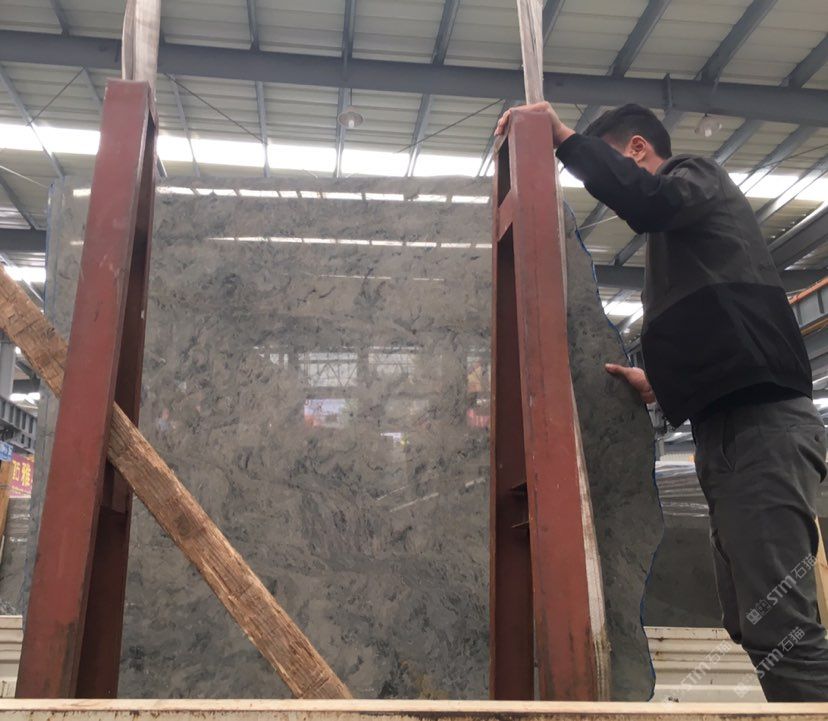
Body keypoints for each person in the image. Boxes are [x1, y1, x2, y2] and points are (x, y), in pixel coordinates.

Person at [496, 102, 828, 701]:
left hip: (762, 428)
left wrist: (564, 139)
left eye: (614, 162)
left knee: (784, 630)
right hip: (726, 431)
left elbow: (647, 201)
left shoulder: (696, 176)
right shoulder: (686, 249)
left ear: (638, 149)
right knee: (751, 621)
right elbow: (713, 328)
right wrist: (661, 383)